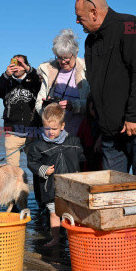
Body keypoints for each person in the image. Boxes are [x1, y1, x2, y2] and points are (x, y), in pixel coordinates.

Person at [75, 0, 136, 187]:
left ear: (94, 12)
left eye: (79, 17)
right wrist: (101, 126)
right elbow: (97, 84)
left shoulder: (130, 26)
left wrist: (134, 116)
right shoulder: (90, 41)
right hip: (110, 132)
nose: (77, 22)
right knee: (112, 189)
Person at [27, 103, 85, 247]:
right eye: (47, 128)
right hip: (51, 188)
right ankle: (56, 239)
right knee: (54, 214)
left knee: (72, 214)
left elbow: (83, 158)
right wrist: (42, 169)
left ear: (62, 126)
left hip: (71, 187)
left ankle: (74, 239)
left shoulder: (74, 142)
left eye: (54, 129)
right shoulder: (38, 146)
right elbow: (31, 163)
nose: (50, 132)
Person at [36, 28, 90, 136]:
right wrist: (47, 109)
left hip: (80, 132)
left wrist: (74, 106)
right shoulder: (49, 71)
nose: (63, 62)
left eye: (66, 58)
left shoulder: (87, 70)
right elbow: (38, 104)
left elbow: (93, 104)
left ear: (75, 54)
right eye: (59, 58)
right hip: (54, 134)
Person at [0, 55, 41, 167]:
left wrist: (29, 70)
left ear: (25, 66)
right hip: (12, 133)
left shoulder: (33, 82)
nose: (17, 67)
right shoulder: (6, 82)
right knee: (11, 170)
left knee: (36, 166)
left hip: (32, 132)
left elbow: (40, 84)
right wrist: (6, 75)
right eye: (14, 63)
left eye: (20, 64)